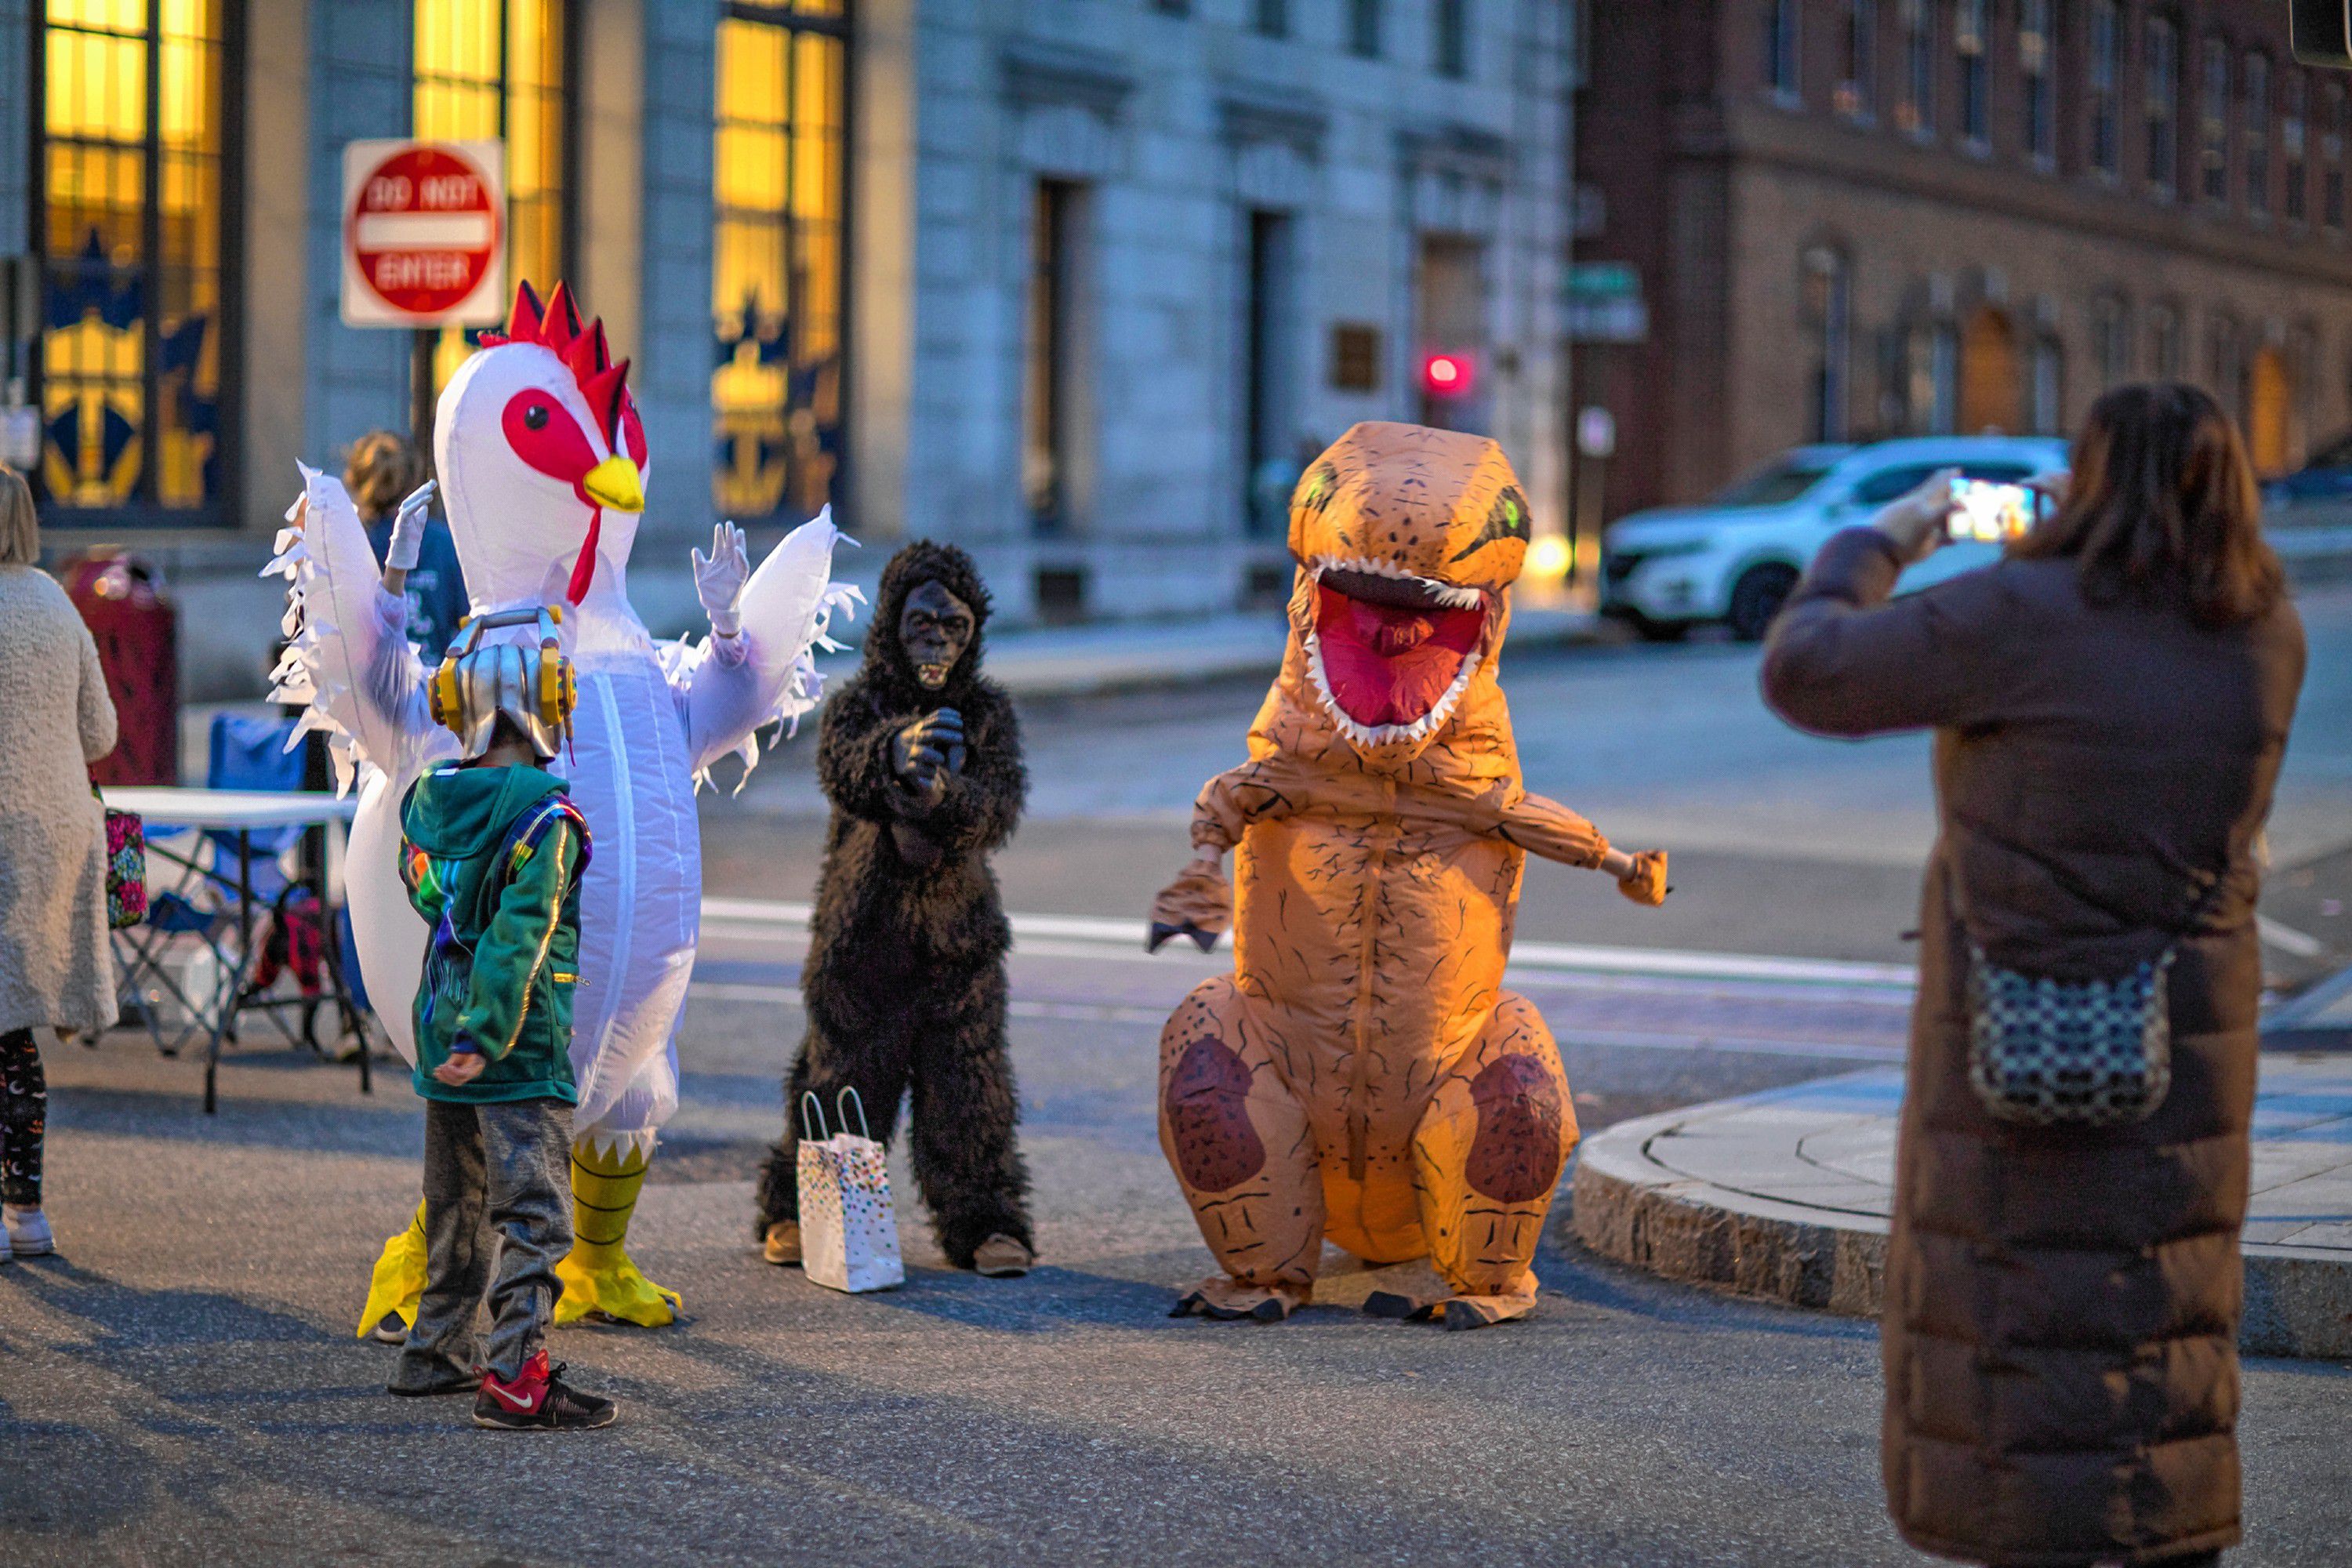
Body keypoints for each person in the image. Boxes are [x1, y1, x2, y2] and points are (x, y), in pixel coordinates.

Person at [1760, 384, 2304, 1568]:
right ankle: (2168, 1532)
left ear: (2091, 478)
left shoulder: (2022, 614)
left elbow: (1809, 669)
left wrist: (1889, 535)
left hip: (2021, 1028)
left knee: (2022, 1312)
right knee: (2158, 1299)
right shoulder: (2263, 629)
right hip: (2190, 1032)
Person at [753, 541, 1036, 1278]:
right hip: (863, 932)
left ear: (974, 632)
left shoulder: (986, 713)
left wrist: (948, 795)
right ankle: (796, 1208)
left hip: (958, 938)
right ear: (890, 627)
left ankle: (985, 1223)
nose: (937, 639)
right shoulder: (858, 706)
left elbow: (999, 811)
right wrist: (894, 755)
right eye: (922, 624)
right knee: (839, 1078)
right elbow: (841, 772)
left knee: (969, 1090)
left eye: (953, 626)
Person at [387, 607, 614, 1430]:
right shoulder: (545, 819)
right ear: (546, 704)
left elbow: (426, 893)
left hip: (439, 1033)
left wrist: (458, 1033)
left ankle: (434, 1351)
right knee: (536, 1211)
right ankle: (517, 1375)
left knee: (454, 1203)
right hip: (511, 1047)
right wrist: (487, 1035)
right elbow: (521, 938)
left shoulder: (431, 808)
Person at [0, 465, 120, 1265]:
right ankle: (28, 1212)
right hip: (54, 833)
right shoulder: (54, 600)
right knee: (15, 1035)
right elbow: (102, 731)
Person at [347, 430, 466, 656]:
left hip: (370, 688)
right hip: (433, 682)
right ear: (413, 480)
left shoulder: (352, 546)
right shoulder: (444, 543)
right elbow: (466, 621)